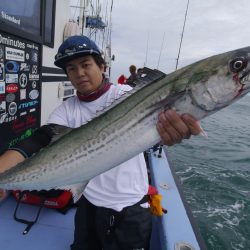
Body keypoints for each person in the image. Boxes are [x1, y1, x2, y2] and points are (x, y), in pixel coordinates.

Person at [0, 35, 202, 250]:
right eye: (71, 69)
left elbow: (157, 129)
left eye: (86, 64)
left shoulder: (127, 95)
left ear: (102, 66)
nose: (79, 73)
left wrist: (170, 134)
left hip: (130, 206)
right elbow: (37, 140)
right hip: (88, 203)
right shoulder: (66, 110)